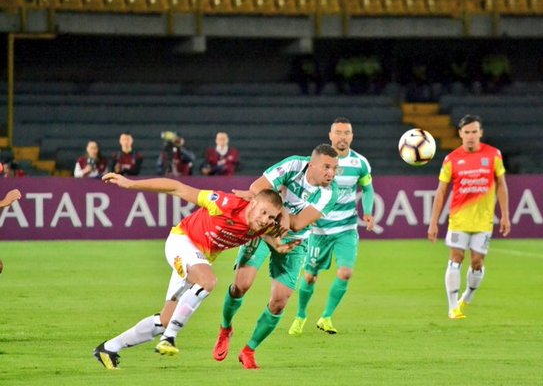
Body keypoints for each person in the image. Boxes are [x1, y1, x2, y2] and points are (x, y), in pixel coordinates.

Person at [93, 173, 298, 370]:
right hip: (181, 241)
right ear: (253, 203)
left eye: (270, 217)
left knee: (165, 320)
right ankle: (169, 337)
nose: (265, 220)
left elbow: (268, 233)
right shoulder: (224, 203)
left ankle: (108, 348)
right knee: (208, 281)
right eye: (263, 212)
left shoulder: (264, 226)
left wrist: (278, 246)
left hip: (198, 259)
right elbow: (177, 188)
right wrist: (130, 184)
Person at [212, 144, 339, 370]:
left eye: (335, 168)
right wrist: (281, 210)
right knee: (242, 284)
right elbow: (256, 187)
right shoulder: (293, 165)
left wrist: (280, 206)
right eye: (327, 167)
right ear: (312, 164)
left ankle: (249, 350)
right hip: (262, 229)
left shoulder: (330, 192)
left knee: (279, 302)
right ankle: (225, 328)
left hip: (295, 242)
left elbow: (298, 224)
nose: (331, 173)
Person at [288, 117, 375, 336]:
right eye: (338, 132)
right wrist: (309, 214)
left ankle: (326, 317)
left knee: (345, 272)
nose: (342, 136)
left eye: (347, 133)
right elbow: (306, 189)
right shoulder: (317, 161)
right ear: (330, 135)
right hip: (320, 229)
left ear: (352, 136)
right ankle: (300, 315)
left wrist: (368, 211)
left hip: (346, 228)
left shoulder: (360, 163)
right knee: (310, 276)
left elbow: (367, 189)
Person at [427, 114, 511, 320]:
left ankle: (468, 295)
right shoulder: (452, 159)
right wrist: (433, 222)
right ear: (460, 134)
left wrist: (506, 215)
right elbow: (441, 191)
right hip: (459, 219)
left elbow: (501, 184)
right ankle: (453, 307)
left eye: (474, 132)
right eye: (467, 132)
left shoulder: (493, 155)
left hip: (484, 220)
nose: (471, 136)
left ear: (480, 133)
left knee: (476, 262)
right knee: (456, 258)